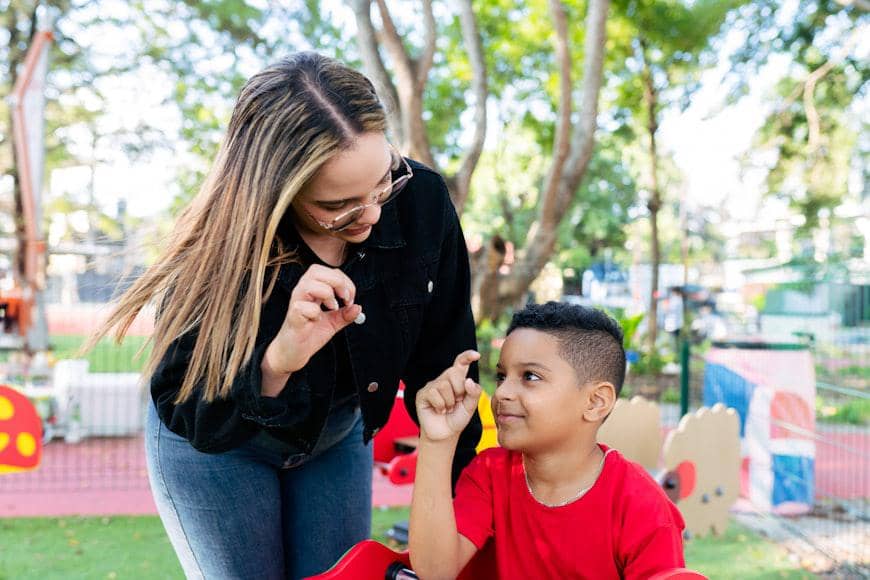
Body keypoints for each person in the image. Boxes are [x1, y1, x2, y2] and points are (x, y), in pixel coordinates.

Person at [92, 52, 481, 579]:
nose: (371, 214)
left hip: (336, 435)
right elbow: (194, 410)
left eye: (382, 183)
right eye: (339, 206)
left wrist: (464, 505)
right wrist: (278, 360)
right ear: (279, 189)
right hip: (221, 448)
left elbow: (446, 355)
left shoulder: (422, 200)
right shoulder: (221, 250)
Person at [409, 301, 685, 579]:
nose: (502, 392)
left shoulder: (643, 508)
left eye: (530, 376)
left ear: (595, 401)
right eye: (502, 376)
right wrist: (437, 442)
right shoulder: (489, 474)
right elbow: (435, 572)